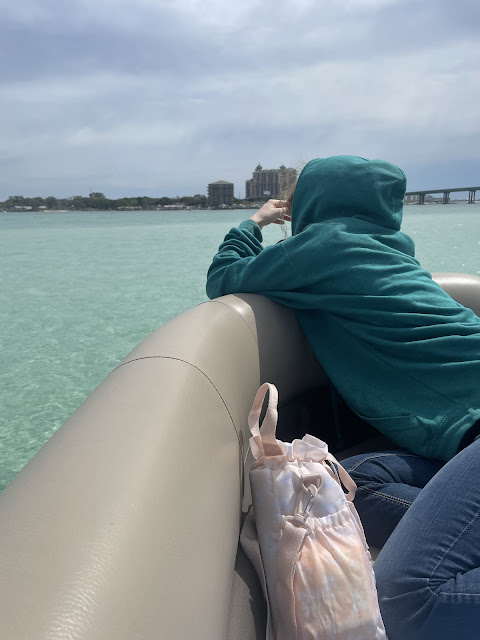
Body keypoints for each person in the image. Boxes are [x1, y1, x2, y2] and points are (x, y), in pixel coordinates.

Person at [206, 155, 480, 639]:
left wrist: (257, 220)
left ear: (315, 201)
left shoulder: (324, 247)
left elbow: (224, 277)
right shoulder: (391, 250)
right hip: (463, 437)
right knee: (357, 481)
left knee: (411, 599)